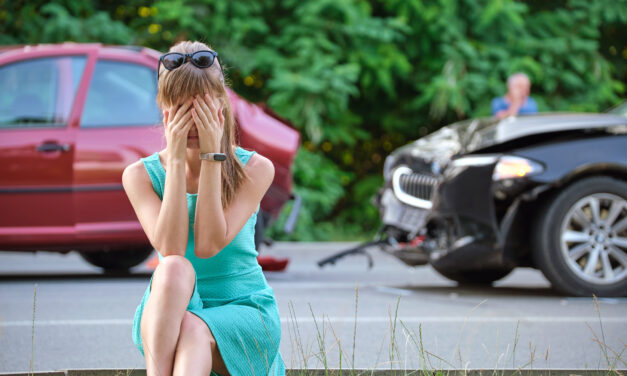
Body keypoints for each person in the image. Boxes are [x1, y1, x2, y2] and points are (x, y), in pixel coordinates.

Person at [122, 40, 285, 376]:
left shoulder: (255, 169)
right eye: (182, 109)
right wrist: (177, 158)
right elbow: (171, 248)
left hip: (243, 309)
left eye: (201, 108)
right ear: (165, 112)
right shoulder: (139, 176)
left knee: (195, 328)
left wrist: (212, 159)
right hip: (168, 314)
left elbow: (209, 245)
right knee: (172, 269)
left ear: (221, 108)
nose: (193, 122)